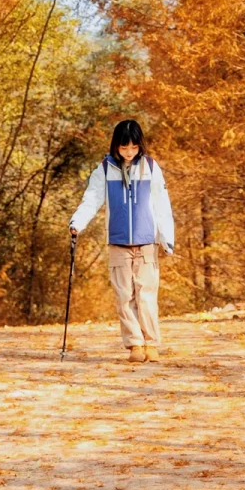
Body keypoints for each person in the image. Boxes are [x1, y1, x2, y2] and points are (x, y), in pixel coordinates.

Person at [70, 118, 175, 363]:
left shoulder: (150, 167)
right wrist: (77, 223)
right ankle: (134, 345)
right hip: (118, 243)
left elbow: (162, 204)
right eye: (124, 147)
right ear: (116, 145)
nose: (129, 152)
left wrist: (166, 237)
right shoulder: (105, 170)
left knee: (147, 294)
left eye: (134, 147)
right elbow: (92, 199)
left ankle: (151, 343)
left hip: (146, 242)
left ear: (140, 146)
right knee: (124, 295)